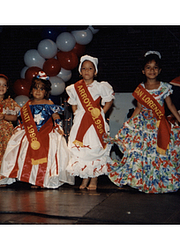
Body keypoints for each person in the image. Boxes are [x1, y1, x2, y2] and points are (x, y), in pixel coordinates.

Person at [107, 51, 180, 193]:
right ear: (143, 70)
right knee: (145, 155)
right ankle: (145, 181)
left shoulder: (164, 87)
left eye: (154, 68)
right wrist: (128, 123)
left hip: (159, 126)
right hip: (144, 127)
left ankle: (160, 183)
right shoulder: (140, 90)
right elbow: (138, 108)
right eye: (148, 67)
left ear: (159, 70)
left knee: (159, 155)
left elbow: (171, 106)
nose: (151, 70)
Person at [0, 71, 74, 188]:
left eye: (41, 89)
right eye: (35, 88)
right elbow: (23, 119)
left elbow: (55, 116)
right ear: (31, 90)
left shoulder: (49, 103)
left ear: (46, 92)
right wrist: (19, 127)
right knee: (22, 146)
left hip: (46, 132)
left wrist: (59, 126)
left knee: (47, 150)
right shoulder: (28, 104)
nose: (38, 91)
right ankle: (32, 178)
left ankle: (43, 180)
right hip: (31, 133)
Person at [66, 55, 115, 190]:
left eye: (90, 68)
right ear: (80, 71)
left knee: (95, 148)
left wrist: (102, 112)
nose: (87, 71)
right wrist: (77, 113)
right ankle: (84, 177)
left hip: (95, 122)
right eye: (84, 68)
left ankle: (94, 179)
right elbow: (73, 103)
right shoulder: (75, 88)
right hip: (81, 121)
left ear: (95, 72)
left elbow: (109, 100)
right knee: (82, 150)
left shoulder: (100, 86)